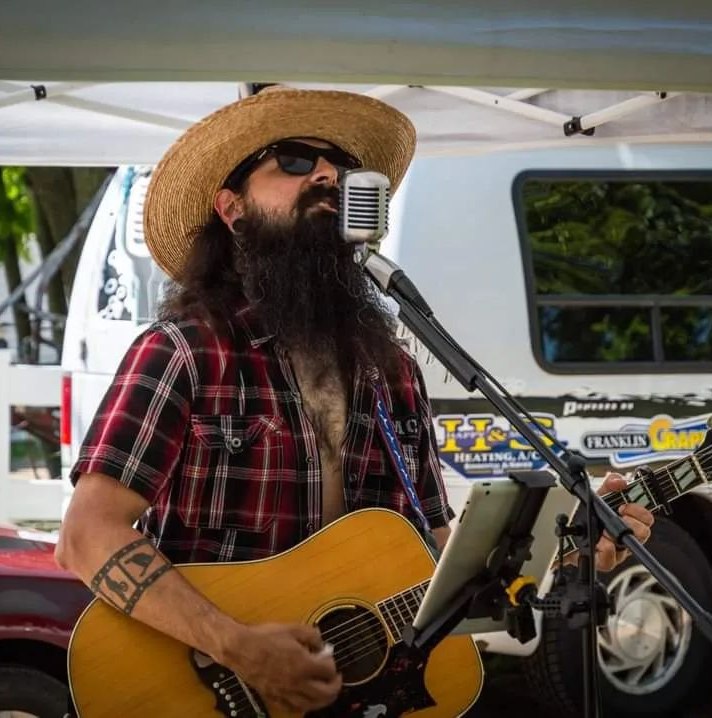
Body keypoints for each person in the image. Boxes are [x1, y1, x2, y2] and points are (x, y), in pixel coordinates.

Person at [56, 86, 654, 715]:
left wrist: (565, 551)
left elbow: (435, 560)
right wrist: (236, 645)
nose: (326, 175)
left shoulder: (389, 371)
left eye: (340, 167)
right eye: (291, 160)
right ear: (232, 210)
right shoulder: (186, 351)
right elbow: (86, 533)